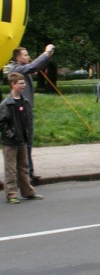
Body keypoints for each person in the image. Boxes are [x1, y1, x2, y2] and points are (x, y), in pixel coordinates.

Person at [9, 44, 55, 182]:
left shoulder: (22, 69)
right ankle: (25, 174)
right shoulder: (17, 69)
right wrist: (46, 53)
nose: (28, 57)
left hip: (26, 109)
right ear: (18, 58)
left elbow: (37, 67)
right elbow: (33, 67)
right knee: (24, 142)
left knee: (28, 142)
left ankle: (28, 172)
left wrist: (48, 56)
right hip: (21, 111)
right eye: (25, 55)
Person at [0, 73, 43, 203]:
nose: (24, 86)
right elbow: (2, 123)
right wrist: (12, 135)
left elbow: (28, 120)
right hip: (10, 142)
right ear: (13, 84)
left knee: (23, 168)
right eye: (21, 83)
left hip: (23, 140)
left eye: (24, 83)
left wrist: (28, 135)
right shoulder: (6, 104)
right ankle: (12, 194)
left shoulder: (25, 101)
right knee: (11, 169)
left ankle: (27, 191)